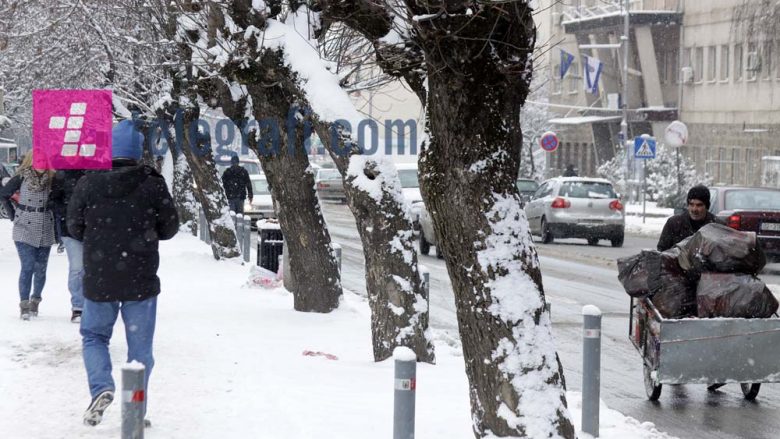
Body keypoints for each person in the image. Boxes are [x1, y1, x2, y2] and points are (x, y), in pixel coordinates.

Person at [68, 120, 178, 426]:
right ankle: (134, 411)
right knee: (140, 349)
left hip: (100, 278)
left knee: (93, 336)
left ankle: (102, 386)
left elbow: (73, 226)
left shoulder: (88, 183)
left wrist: (98, 235)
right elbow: (170, 228)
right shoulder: (152, 183)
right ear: (137, 152)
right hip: (140, 279)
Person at [0, 153, 56, 320]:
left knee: (41, 269)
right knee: (28, 266)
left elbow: (60, 198)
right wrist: (13, 214)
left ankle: (35, 300)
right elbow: (3, 194)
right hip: (24, 225)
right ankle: (24, 304)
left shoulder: (53, 178)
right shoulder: (21, 177)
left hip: (45, 224)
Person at [49, 169, 87, 322]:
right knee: (77, 268)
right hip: (71, 229)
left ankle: (94, 304)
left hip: (96, 228)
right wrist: (68, 213)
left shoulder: (98, 173)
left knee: (94, 268)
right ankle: (78, 306)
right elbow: (53, 200)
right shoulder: (63, 174)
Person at [657, 184, 718, 252]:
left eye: (699, 205)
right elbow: (662, 251)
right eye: (691, 204)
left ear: (707, 206)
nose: (694, 209)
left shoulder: (716, 226)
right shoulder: (674, 224)